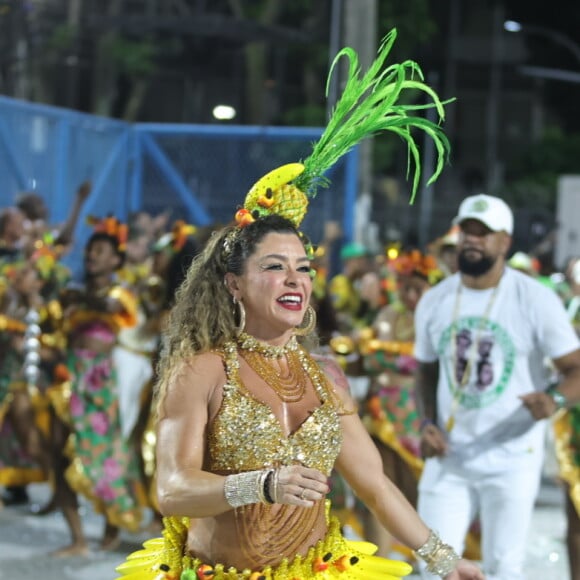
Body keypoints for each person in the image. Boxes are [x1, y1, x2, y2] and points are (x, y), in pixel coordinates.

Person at [117, 27, 483, 580]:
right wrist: (260, 484)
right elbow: (170, 489)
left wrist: (446, 561)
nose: (296, 279)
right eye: (274, 266)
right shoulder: (201, 368)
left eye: (304, 268)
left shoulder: (326, 375)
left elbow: (377, 488)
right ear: (234, 284)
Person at [414, 193, 580, 580]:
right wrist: (426, 423)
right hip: (449, 457)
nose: (472, 240)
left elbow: (575, 368)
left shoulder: (535, 299)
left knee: (505, 567)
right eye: (466, 231)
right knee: (435, 568)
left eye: (483, 233)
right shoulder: (435, 300)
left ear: (504, 242)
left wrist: (553, 400)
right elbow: (426, 369)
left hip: (512, 457)